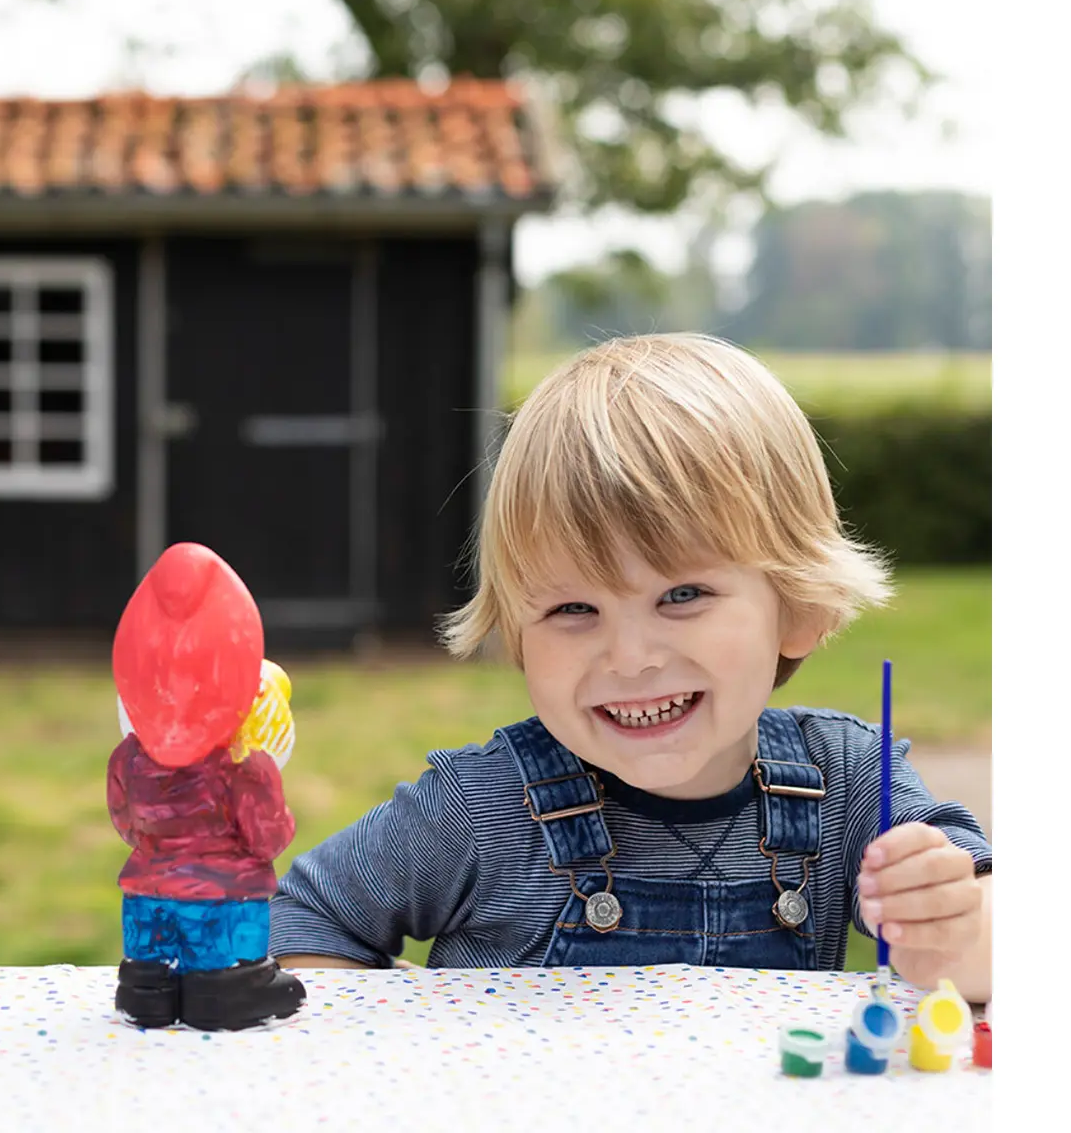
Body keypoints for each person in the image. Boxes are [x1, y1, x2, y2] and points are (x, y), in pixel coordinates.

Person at [268, 334, 992, 1001]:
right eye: (573, 609)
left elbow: (997, 946)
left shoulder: (851, 785)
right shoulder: (480, 809)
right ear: (517, 635)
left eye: (682, 595)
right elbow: (297, 920)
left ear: (801, 606)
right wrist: (416, 1020)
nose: (630, 657)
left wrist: (949, 930)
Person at [109, 542, 306, 1030]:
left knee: (150, 950)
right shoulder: (243, 768)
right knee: (224, 946)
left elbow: (125, 823)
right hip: (224, 899)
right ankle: (226, 984)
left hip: (146, 893)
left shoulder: (128, 759)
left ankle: (147, 986)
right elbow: (268, 839)